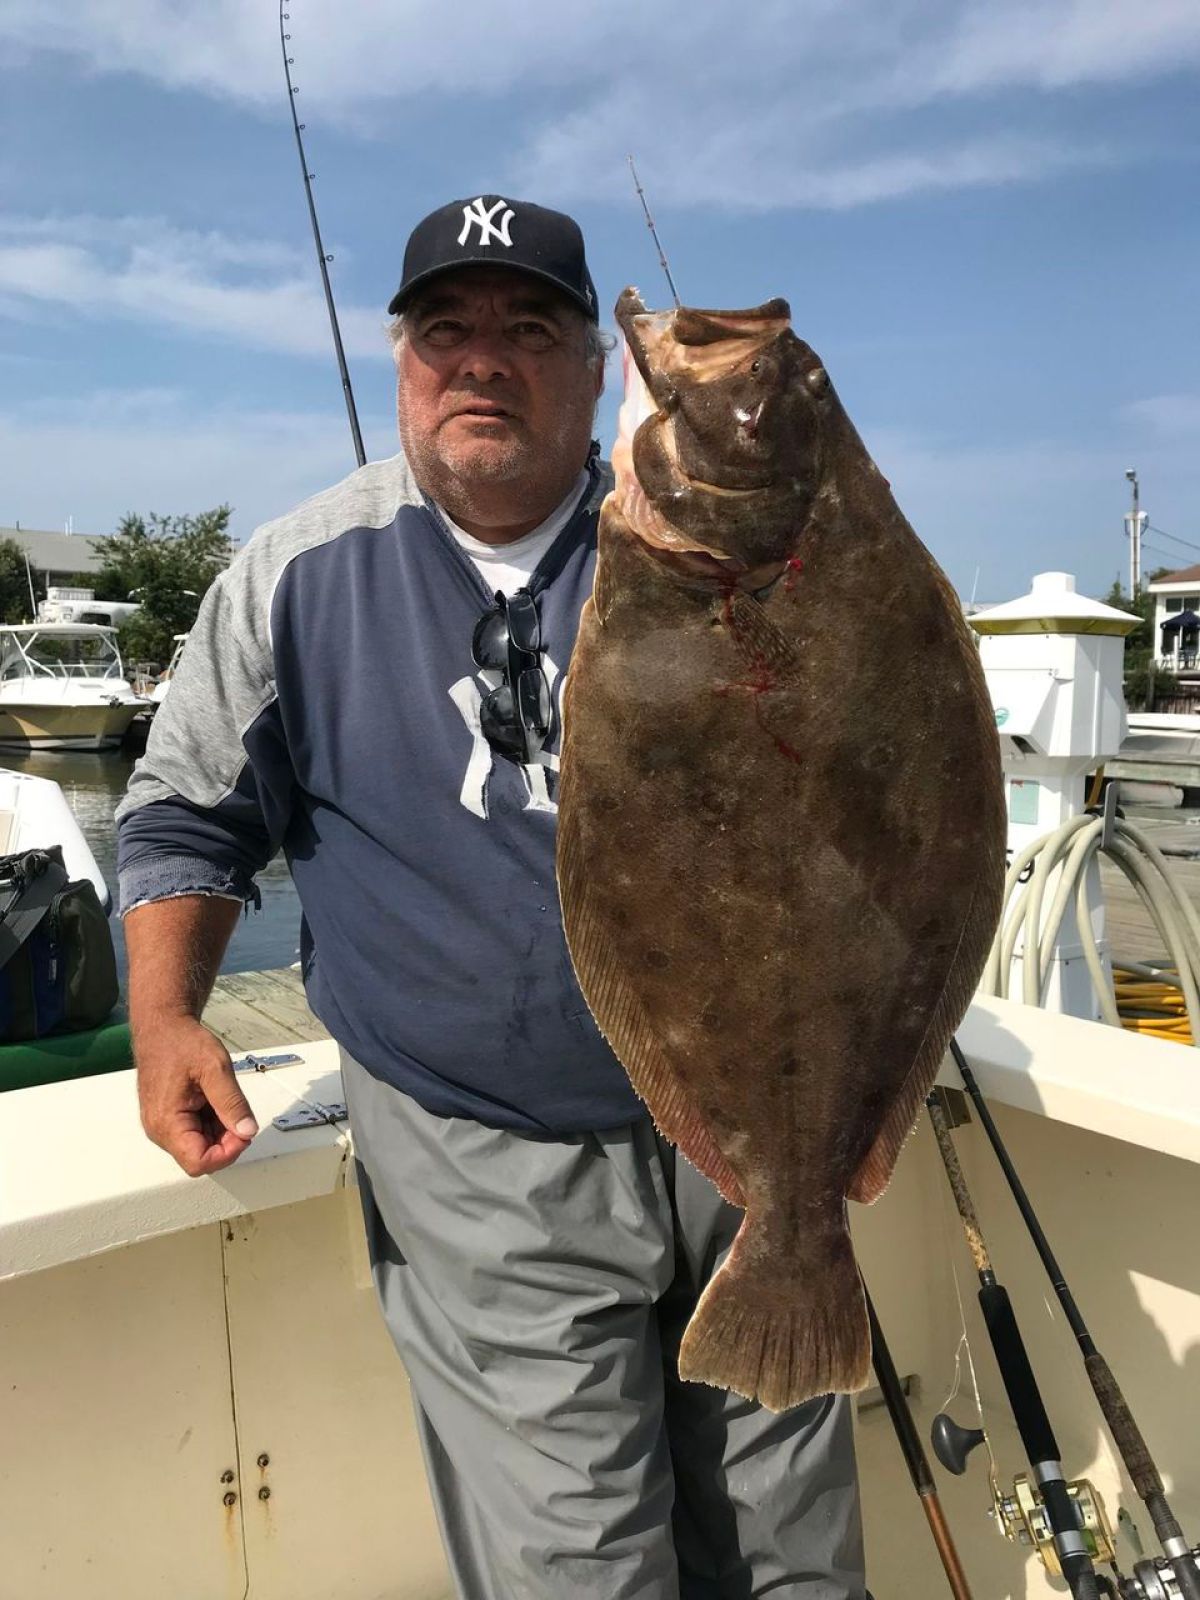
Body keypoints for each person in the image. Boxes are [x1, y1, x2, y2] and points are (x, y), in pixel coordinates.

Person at [118, 195, 866, 1599]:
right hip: (485, 1154)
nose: (481, 361)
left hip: (755, 1139)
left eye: (530, 330)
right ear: (399, 360)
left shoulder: (722, 543)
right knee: (582, 1566)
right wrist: (168, 1022)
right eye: (443, 331)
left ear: (599, 371)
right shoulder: (296, 575)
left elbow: (879, 792)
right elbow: (182, 820)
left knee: (797, 1557)